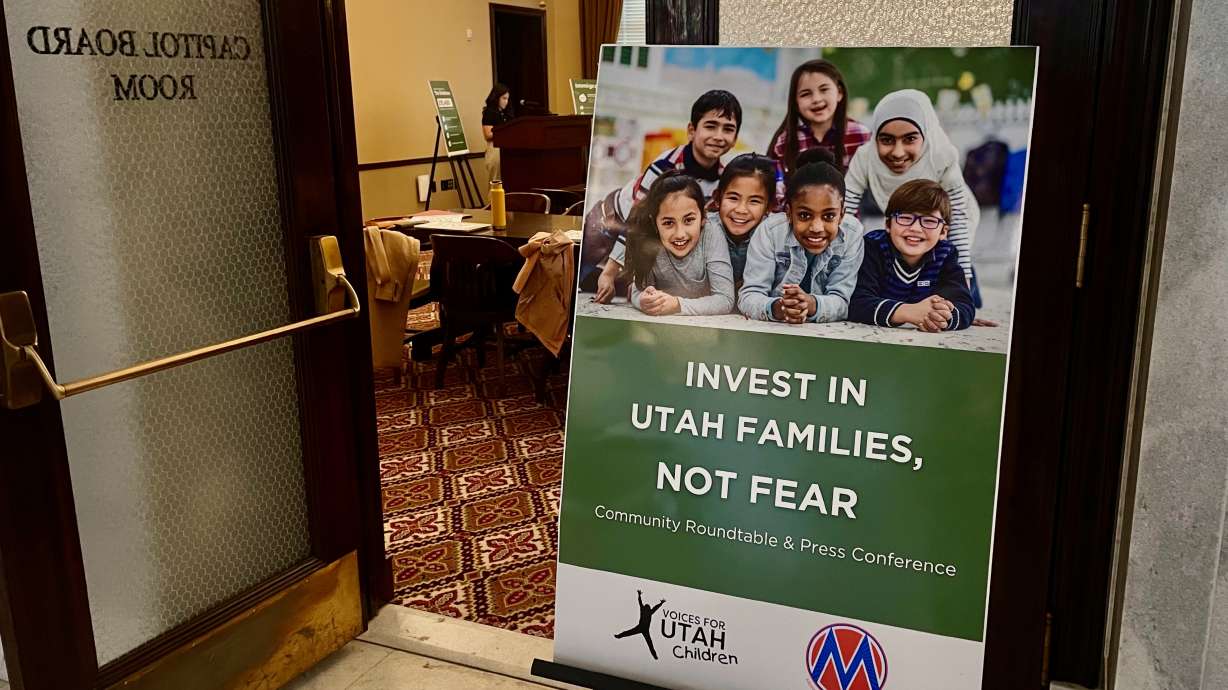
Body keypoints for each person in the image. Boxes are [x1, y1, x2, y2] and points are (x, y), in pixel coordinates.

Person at [583, 89, 743, 300]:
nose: (718, 136)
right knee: (580, 281)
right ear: (692, 130)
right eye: (710, 126)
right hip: (608, 224)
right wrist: (609, 273)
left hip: (639, 240)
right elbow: (636, 221)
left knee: (627, 292)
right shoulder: (665, 166)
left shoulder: (722, 181)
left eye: (728, 129)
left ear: (735, 138)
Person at [844, 89, 980, 296]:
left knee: (945, 270)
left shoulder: (941, 155)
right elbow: (845, 211)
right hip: (907, 220)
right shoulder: (865, 157)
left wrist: (963, 285)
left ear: (925, 135)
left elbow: (958, 221)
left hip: (950, 219)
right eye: (887, 140)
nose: (898, 152)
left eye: (909, 139)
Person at [739, 149, 864, 324]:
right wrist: (779, 308)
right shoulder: (770, 231)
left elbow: (843, 301)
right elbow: (749, 296)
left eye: (829, 216)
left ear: (842, 215)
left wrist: (810, 304)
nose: (816, 228)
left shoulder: (852, 233)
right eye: (805, 215)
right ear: (789, 213)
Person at [848, 179, 975, 331]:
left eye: (929, 221)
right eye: (905, 218)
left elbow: (965, 306)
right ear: (888, 224)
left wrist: (941, 317)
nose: (915, 228)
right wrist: (908, 312)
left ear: (943, 232)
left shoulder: (945, 254)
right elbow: (857, 303)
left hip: (933, 294)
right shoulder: (872, 248)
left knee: (971, 289)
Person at [624, 172, 736, 316]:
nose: (680, 234)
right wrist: (643, 301)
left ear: (703, 217)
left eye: (688, 220)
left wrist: (677, 305)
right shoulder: (648, 239)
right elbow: (638, 290)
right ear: (654, 222)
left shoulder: (712, 233)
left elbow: (725, 299)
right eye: (668, 223)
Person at [767, 59, 871, 208]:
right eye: (806, 94)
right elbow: (776, 196)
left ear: (839, 93)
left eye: (824, 90)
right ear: (795, 102)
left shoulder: (861, 135)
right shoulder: (785, 142)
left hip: (851, 219)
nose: (816, 99)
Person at [707, 153, 778, 287]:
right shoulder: (702, 230)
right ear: (717, 199)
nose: (741, 210)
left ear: (769, 207)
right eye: (733, 198)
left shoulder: (775, 236)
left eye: (754, 201)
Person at [481, 83, 514, 182]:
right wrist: (504, 131)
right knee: (496, 182)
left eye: (507, 99)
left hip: (507, 149)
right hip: (495, 150)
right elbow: (487, 135)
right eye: (504, 98)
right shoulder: (489, 112)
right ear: (496, 98)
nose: (506, 102)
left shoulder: (506, 113)